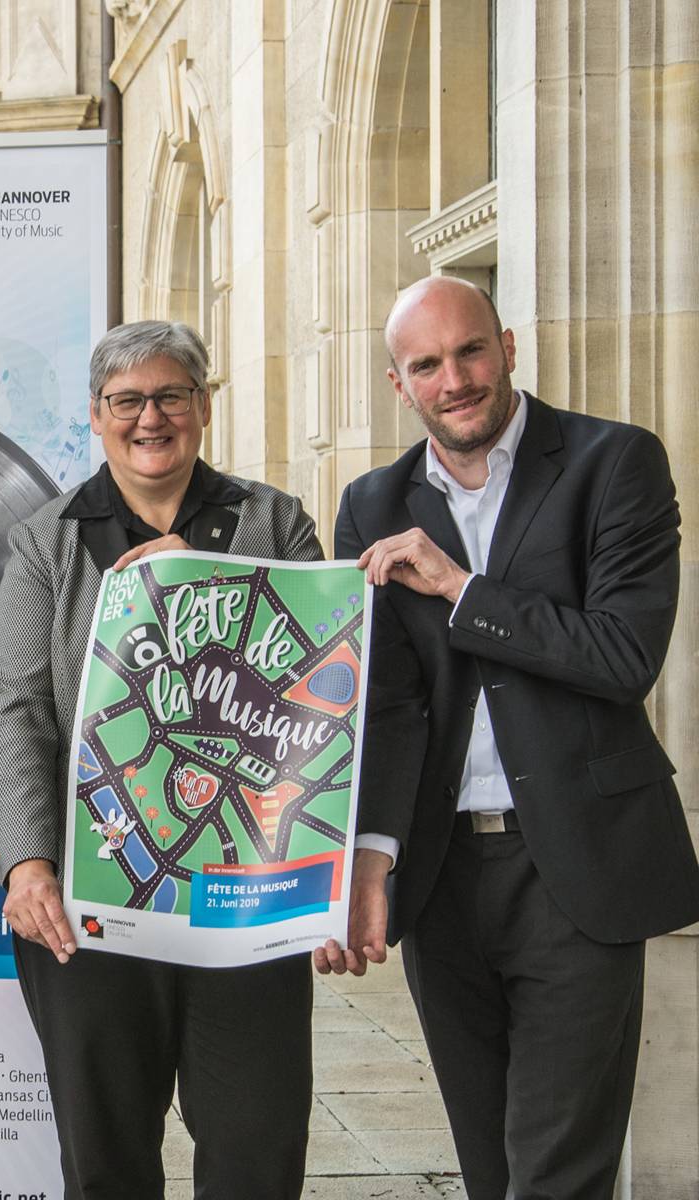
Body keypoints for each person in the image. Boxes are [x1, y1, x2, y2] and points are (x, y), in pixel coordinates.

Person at [317, 275, 699, 1199]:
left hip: (577, 864)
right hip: (441, 876)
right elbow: (385, 706)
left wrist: (460, 589)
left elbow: (622, 657)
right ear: (398, 383)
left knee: (557, 1173)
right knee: (488, 1168)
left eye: (471, 351)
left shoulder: (615, 462)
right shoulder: (372, 503)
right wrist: (361, 863)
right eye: (426, 365)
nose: (454, 380)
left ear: (510, 346)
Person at [0, 321, 322, 1198]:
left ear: (203, 405)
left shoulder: (275, 523)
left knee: (256, 1155)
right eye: (127, 400)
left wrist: (204, 575)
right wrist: (27, 862)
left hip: (246, 900)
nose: (149, 418)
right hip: (92, 900)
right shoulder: (46, 543)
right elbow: (14, 708)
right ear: (97, 414)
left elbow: (321, 686)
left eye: (170, 395)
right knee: (107, 1163)